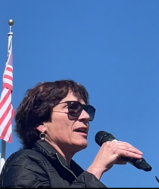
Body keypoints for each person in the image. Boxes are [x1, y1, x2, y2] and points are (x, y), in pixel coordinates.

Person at [0, 80, 143, 188]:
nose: (86, 116)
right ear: (41, 123)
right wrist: (96, 169)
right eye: (73, 108)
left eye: (88, 110)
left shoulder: (77, 175)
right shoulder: (23, 163)